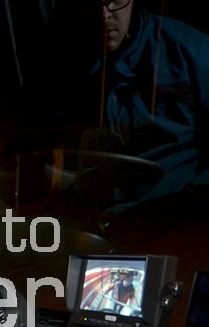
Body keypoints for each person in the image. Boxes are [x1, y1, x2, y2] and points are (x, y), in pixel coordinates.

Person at [77, 0, 209, 208]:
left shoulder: (190, 50)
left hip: (171, 208)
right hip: (98, 210)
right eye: (95, 3)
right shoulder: (73, 59)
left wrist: (192, 198)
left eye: (115, 1)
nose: (104, 15)